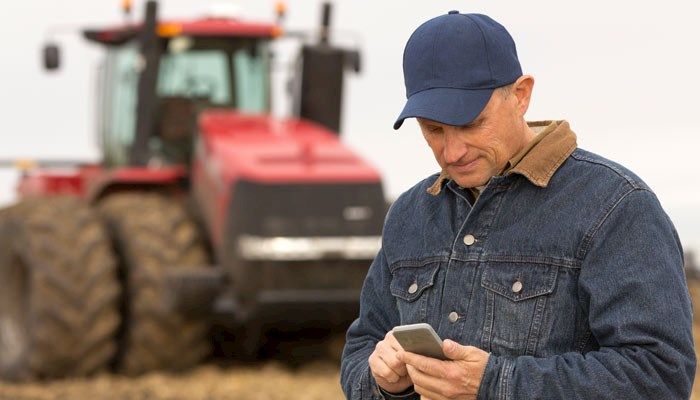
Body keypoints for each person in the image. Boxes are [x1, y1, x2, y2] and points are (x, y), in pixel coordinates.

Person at [340, 11, 695, 400]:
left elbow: (660, 375)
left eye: (472, 123)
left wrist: (494, 383)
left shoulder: (617, 206)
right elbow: (360, 351)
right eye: (433, 129)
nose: (451, 151)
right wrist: (382, 381)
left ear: (521, 95)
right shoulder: (409, 214)